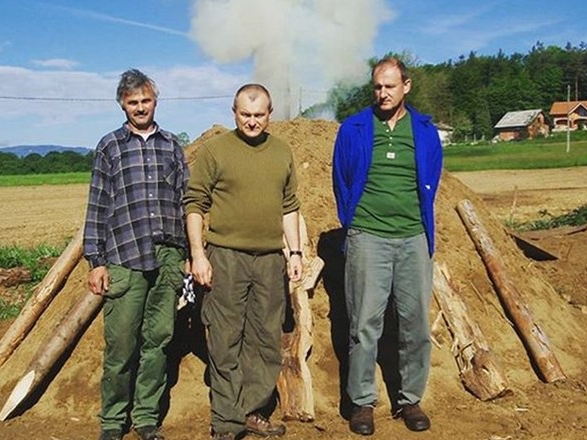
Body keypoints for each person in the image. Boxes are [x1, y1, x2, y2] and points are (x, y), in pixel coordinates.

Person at [184, 84, 303, 440]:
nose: (252, 122)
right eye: (245, 115)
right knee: (225, 339)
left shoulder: (282, 151)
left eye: (259, 115)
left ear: (270, 114)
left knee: (266, 339)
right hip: (226, 257)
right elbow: (194, 205)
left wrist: (294, 252)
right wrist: (198, 255)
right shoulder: (215, 150)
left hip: (269, 259)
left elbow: (290, 206)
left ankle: (252, 411)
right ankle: (226, 422)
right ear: (234, 112)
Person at [332, 57, 443, 436]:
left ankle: (410, 399)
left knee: (415, 323)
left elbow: (432, 177)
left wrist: (419, 224)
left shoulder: (425, 130)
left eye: (390, 86)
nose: (383, 93)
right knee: (365, 323)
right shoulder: (354, 128)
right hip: (368, 237)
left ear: (406, 87)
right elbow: (341, 180)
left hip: (414, 237)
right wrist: (354, 224)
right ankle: (362, 403)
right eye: (378, 86)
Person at [84, 69, 189, 440]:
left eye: (146, 100)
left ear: (155, 102)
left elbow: (184, 200)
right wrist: (95, 260)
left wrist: (190, 252)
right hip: (125, 257)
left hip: (168, 256)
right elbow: (98, 205)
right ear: (122, 105)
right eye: (133, 102)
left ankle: (146, 418)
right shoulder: (109, 146)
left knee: (158, 341)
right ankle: (113, 421)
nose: (140, 107)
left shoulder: (172, 145)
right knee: (121, 345)